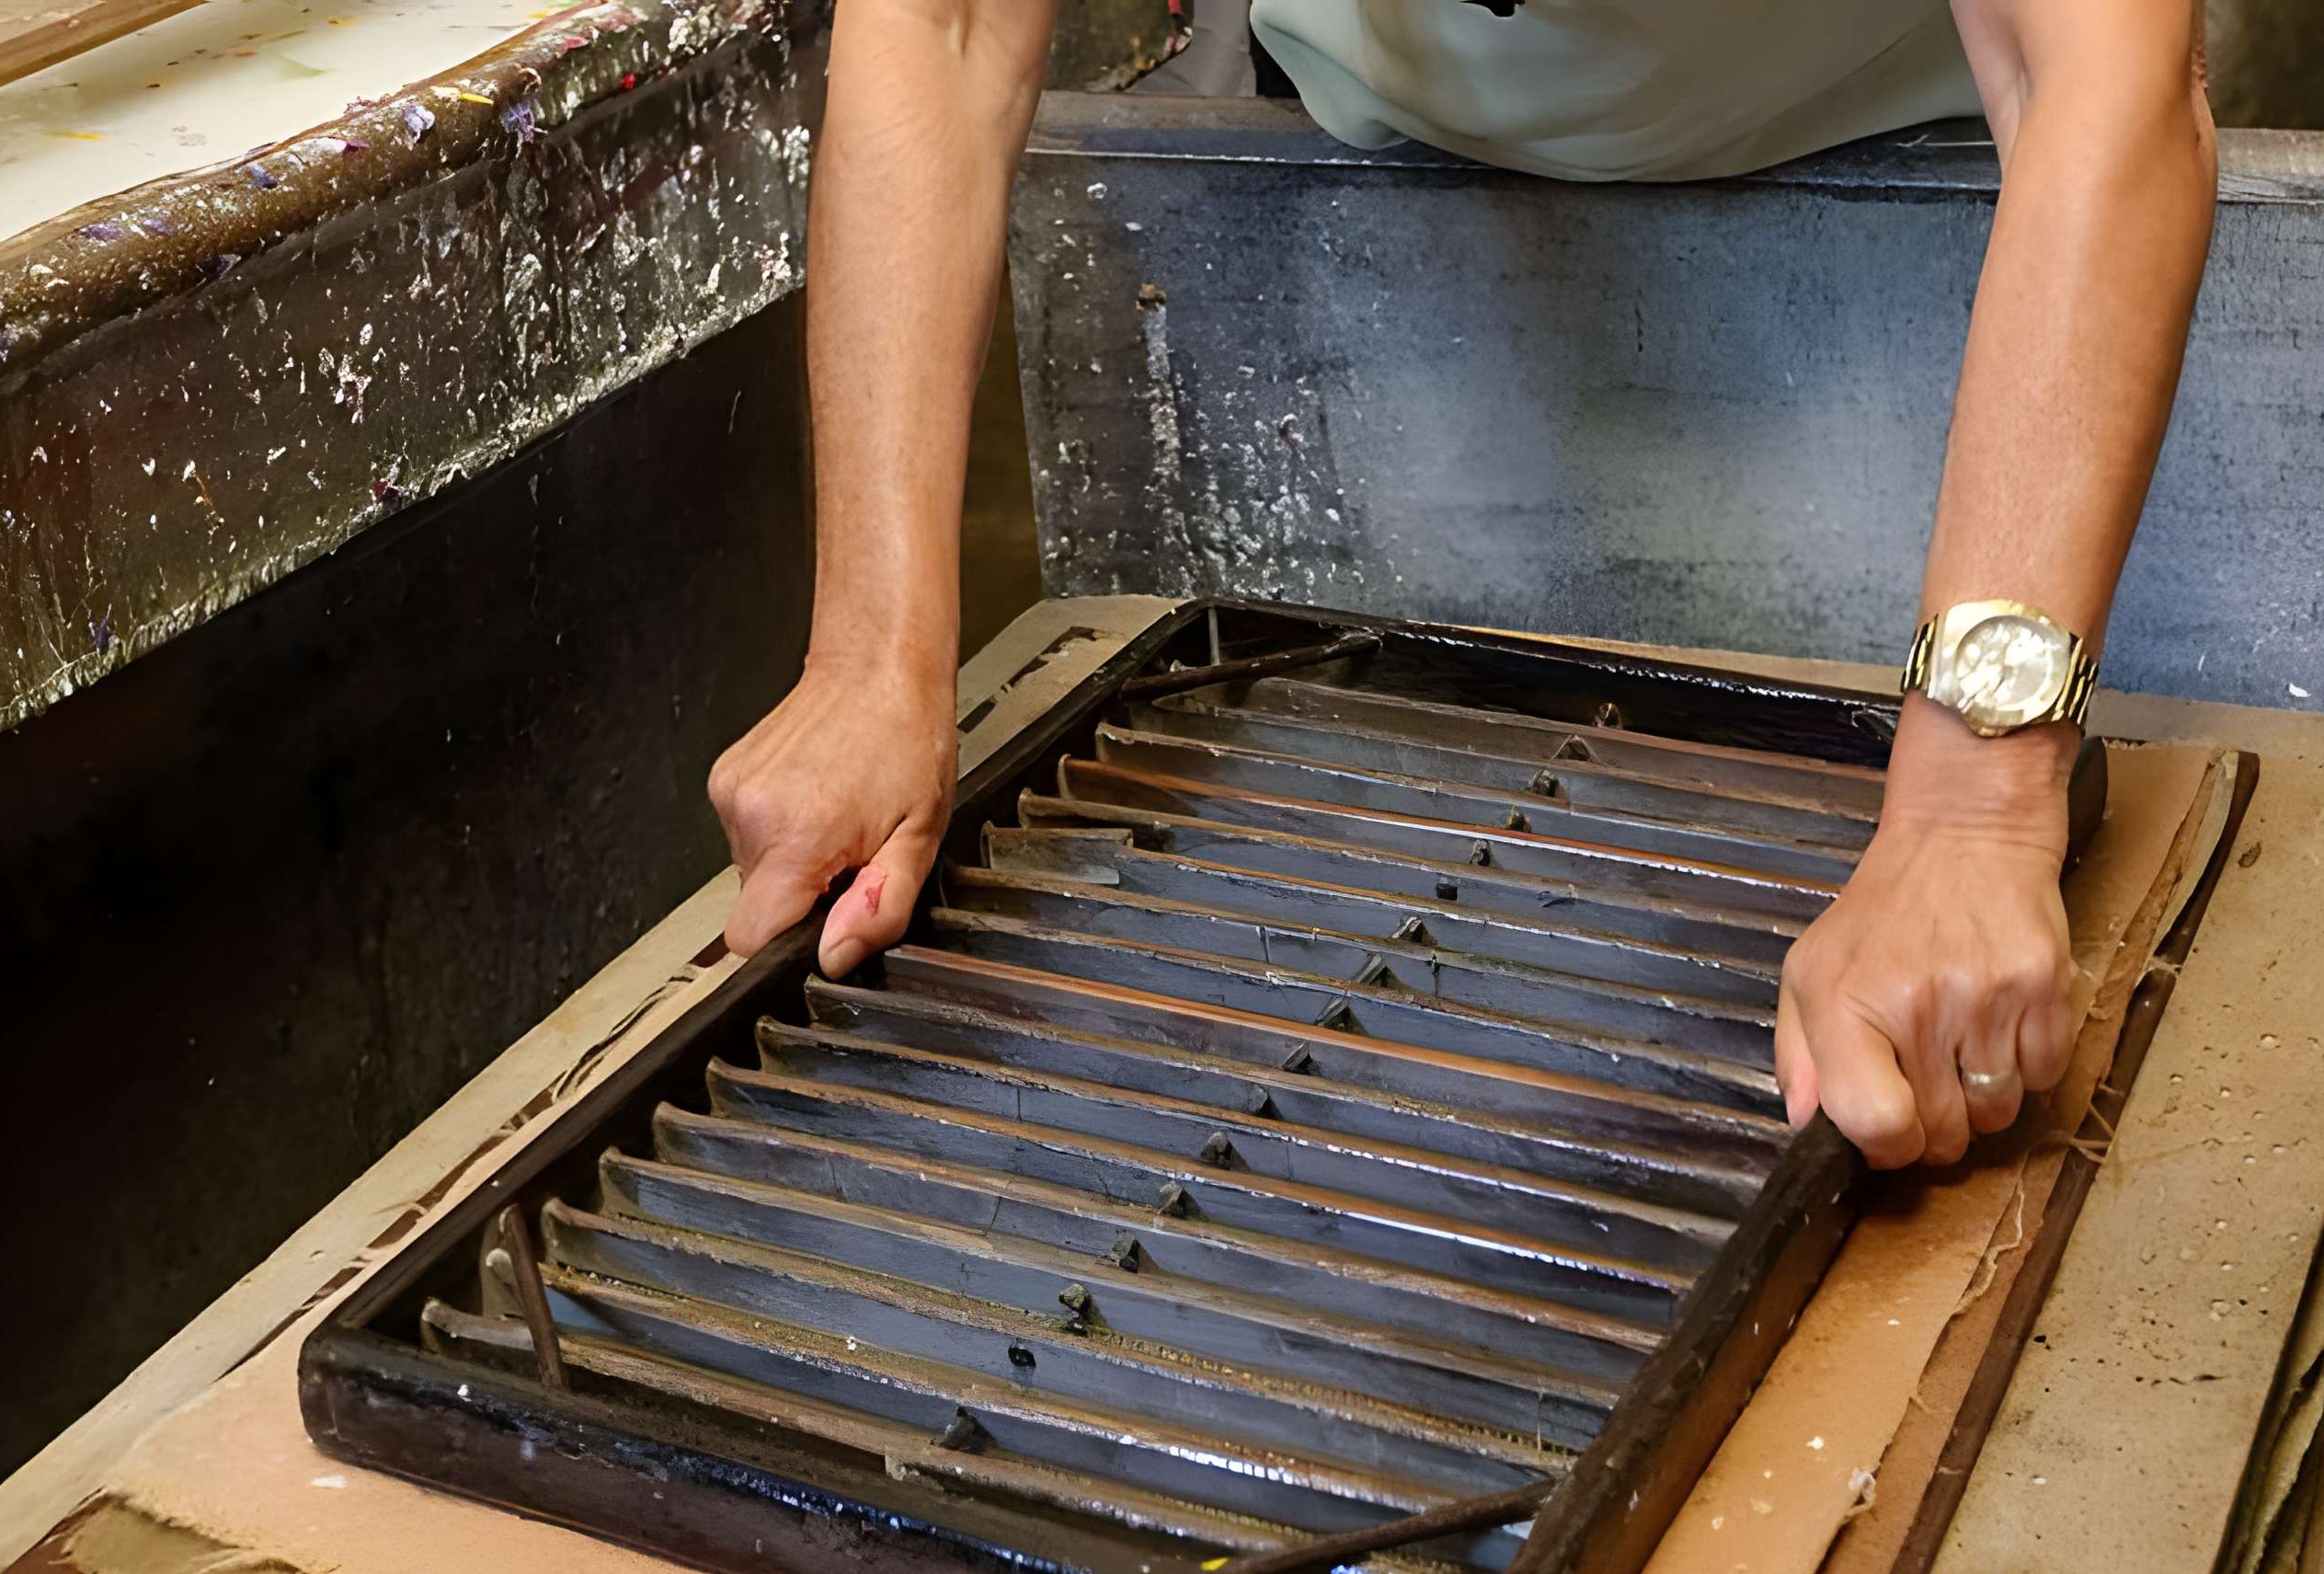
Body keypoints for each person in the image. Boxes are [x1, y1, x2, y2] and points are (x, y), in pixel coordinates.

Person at [704, 0, 2216, 1170]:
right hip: (1374, 163)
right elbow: (946, 26)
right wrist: (871, 659)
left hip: (1935, 207)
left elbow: (2095, 75)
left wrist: (1973, 802)